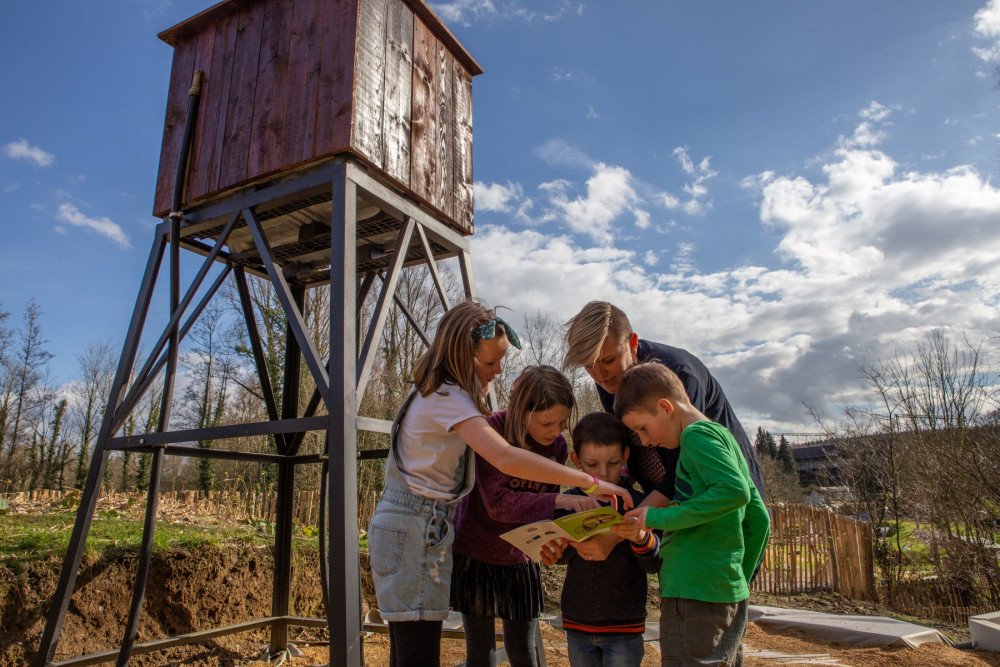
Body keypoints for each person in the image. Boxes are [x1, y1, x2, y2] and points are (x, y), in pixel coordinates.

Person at [367, 300, 634, 666]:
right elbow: (505, 458)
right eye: (491, 362)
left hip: (421, 527)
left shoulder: (438, 392)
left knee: (410, 651)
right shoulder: (449, 397)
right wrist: (588, 484)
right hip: (416, 529)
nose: (497, 371)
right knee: (418, 654)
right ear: (462, 354)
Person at [611, 363, 769, 666]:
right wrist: (737, 581)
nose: (644, 441)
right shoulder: (722, 437)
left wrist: (654, 518)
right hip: (726, 593)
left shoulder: (695, 437)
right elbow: (759, 518)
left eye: (642, 428)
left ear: (665, 407)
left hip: (692, 591)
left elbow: (734, 491)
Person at [451, 365, 598, 667]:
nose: (556, 431)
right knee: (480, 652)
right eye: (547, 423)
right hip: (476, 554)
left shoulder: (557, 446)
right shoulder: (492, 431)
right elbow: (499, 504)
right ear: (522, 411)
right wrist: (561, 499)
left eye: (562, 423)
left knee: (523, 650)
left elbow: (541, 511)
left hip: (520, 557)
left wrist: (554, 538)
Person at [563, 301, 764, 508]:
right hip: (668, 500)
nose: (599, 375)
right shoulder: (610, 379)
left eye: (608, 361)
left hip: (725, 492)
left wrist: (640, 516)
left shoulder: (677, 374)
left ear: (632, 344)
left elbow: (685, 468)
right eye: (589, 365)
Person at [555, 412, 661, 667]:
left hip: (624, 627)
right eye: (592, 465)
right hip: (577, 623)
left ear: (625, 456)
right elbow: (560, 559)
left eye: (613, 463)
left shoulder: (639, 503)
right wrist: (563, 544)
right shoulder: (569, 502)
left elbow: (654, 564)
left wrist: (641, 538)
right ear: (576, 460)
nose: (603, 473)